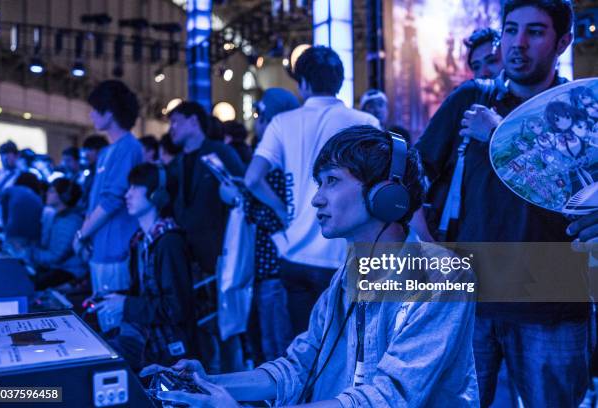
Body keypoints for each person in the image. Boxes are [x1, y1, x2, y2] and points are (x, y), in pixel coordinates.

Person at [143, 125, 478, 407]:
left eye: (331, 181)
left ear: (385, 194)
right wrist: (209, 383)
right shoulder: (347, 277)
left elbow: (387, 398)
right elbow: (299, 366)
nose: (317, 198)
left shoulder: (442, 276)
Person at [415, 1, 590, 405]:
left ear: (562, 42)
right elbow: (412, 171)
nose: (518, 44)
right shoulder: (473, 99)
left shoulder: (578, 111)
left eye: (535, 32)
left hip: (554, 299)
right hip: (470, 296)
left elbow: (578, 190)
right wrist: (427, 245)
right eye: (511, 30)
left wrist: (501, 135)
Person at [245, 45, 380, 336]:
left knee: (306, 351)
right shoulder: (365, 123)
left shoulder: (282, 123)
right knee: (350, 350)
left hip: (295, 254)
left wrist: (285, 213)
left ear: (303, 83)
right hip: (346, 256)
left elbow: (252, 178)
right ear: (339, 82)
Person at [166, 101, 245, 372]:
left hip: (221, 255)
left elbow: (242, 195)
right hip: (188, 258)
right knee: (197, 326)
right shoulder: (176, 163)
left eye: (175, 121)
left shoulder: (220, 152)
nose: (171, 128)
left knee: (227, 328)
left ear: (193, 121)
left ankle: (233, 384)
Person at [94, 163, 196, 371]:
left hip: (165, 348)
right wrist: (112, 298)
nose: (127, 194)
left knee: (98, 361)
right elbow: (142, 295)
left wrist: (126, 304)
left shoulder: (169, 243)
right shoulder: (140, 240)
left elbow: (176, 309)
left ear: (156, 195)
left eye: (134, 187)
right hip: (145, 336)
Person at [243, 88, 300, 363]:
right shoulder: (288, 155)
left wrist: (257, 205)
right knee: (271, 344)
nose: (257, 122)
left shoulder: (275, 159)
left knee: (277, 349)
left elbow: (253, 185)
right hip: (273, 266)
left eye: (260, 115)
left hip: (275, 267)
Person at [73, 80, 143, 294]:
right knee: (104, 317)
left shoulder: (129, 148)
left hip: (117, 249)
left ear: (110, 112)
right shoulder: (106, 152)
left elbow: (112, 201)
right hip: (101, 248)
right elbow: (97, 201)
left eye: (95, 109)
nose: (91, 115)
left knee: (114, 321)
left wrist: (81, 235)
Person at [27, 178, 87, 290]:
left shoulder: (70, 221)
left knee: (32, 286)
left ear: (64, 196)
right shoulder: (60, 217)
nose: (47, 194)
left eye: (52, 191)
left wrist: (29, 252)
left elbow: (56, 256)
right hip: (60, 268)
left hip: (70, 271)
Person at [1, 172, 44, 245]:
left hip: (12, 237)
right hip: (33, 240)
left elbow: (5, 215)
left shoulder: (11, 191)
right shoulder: (36, 198)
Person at [79, 134, 109, 211]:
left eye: (89, 149)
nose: (86, 154)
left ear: (99, 150)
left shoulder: (105, 171)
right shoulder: (90, 170)